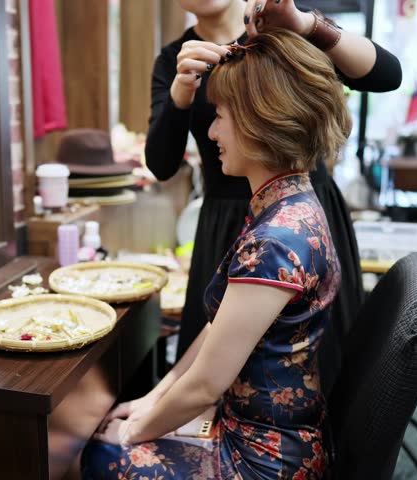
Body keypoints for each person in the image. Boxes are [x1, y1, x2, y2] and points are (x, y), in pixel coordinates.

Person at [82, 29, 350, 479]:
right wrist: (151, 400)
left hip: (262, 461)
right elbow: (214, 333)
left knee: (94, 456)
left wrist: (132, 435)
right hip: (266, 435)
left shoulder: (277, 239)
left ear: (257, 120)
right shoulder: (287, 204)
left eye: (220, 115)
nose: (209, 131)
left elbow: (206, 386)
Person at [147, 0, 401, 392]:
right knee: (216, 371)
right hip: (226, 229)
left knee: (318, 365)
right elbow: (161, 164)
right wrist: (181, 92)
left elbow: (388, 74)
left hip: (302, 211)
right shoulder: (174, 61)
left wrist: (305, 25)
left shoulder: (285, 31)